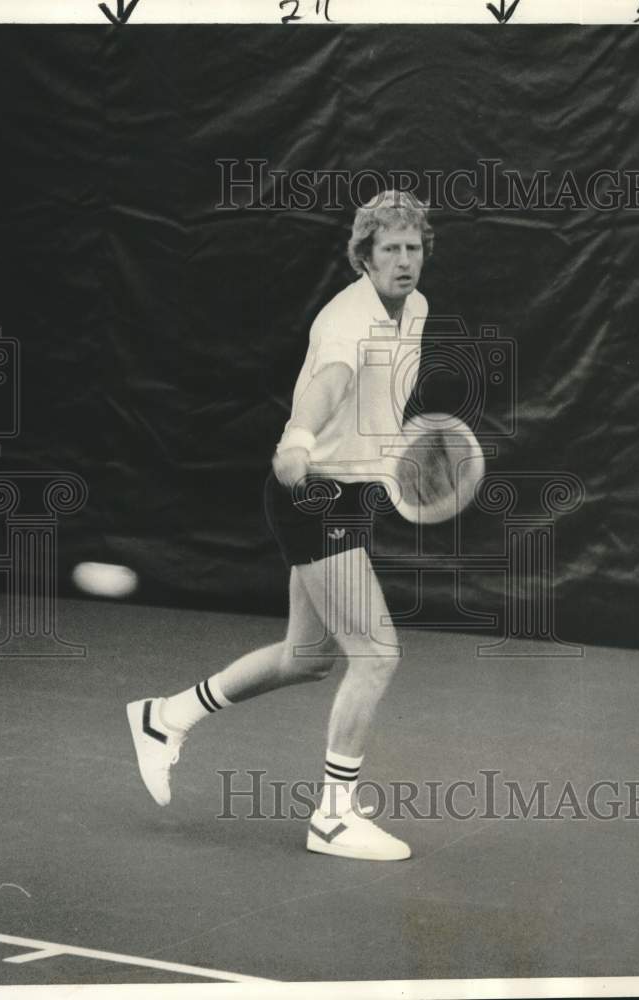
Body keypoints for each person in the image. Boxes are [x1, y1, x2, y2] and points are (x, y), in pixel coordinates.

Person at [127, 189, 433, 861]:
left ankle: (165, 716)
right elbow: (326, 382)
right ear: (365, 254)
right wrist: (298, 436)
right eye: (390, 249)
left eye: (412, 248)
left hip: (350, 494)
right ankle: (332, 817)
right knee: (376, 655)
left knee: (307, 657)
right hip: (311, 494)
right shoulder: (345, 321)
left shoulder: (414, 308)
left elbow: (375, 399)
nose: (403, 260)